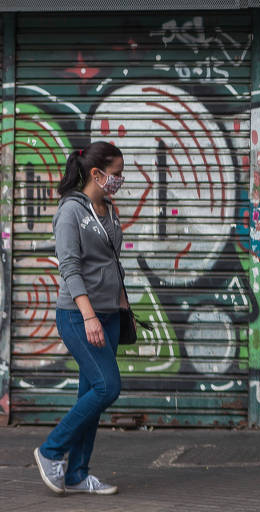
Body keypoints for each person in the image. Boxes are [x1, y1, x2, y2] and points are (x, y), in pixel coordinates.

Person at [33, 141, 127, 496]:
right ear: (96, 173)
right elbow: (70, 268)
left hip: (110, 314)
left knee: (92, 392)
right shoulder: (70, 212)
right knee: (108, 387)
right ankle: (51, 450)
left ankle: (76, 474)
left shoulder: (109, 209)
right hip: (78, 315)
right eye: (116, 174)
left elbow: (109, 262)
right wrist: (89, 317)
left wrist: (120, 303)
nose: (120, 180)